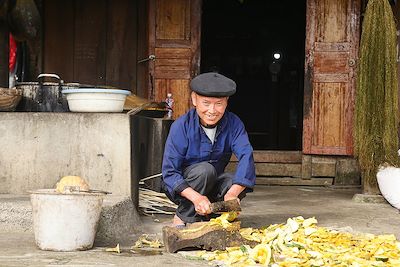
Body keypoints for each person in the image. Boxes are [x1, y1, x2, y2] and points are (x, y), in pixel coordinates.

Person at [161, 72, 256, 227]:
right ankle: (182, 216)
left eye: (218, 104)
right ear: (194, 100)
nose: (212, 111)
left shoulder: (234, 124)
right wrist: (197, 198)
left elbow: (246, 155)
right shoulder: (181, 126)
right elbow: (170, 173)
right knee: (205, 171)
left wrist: (232, 193)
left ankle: (210, 214)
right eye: (206, 103)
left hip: (212, 184)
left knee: (235, 182)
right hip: (184, 187)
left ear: (226, 102)